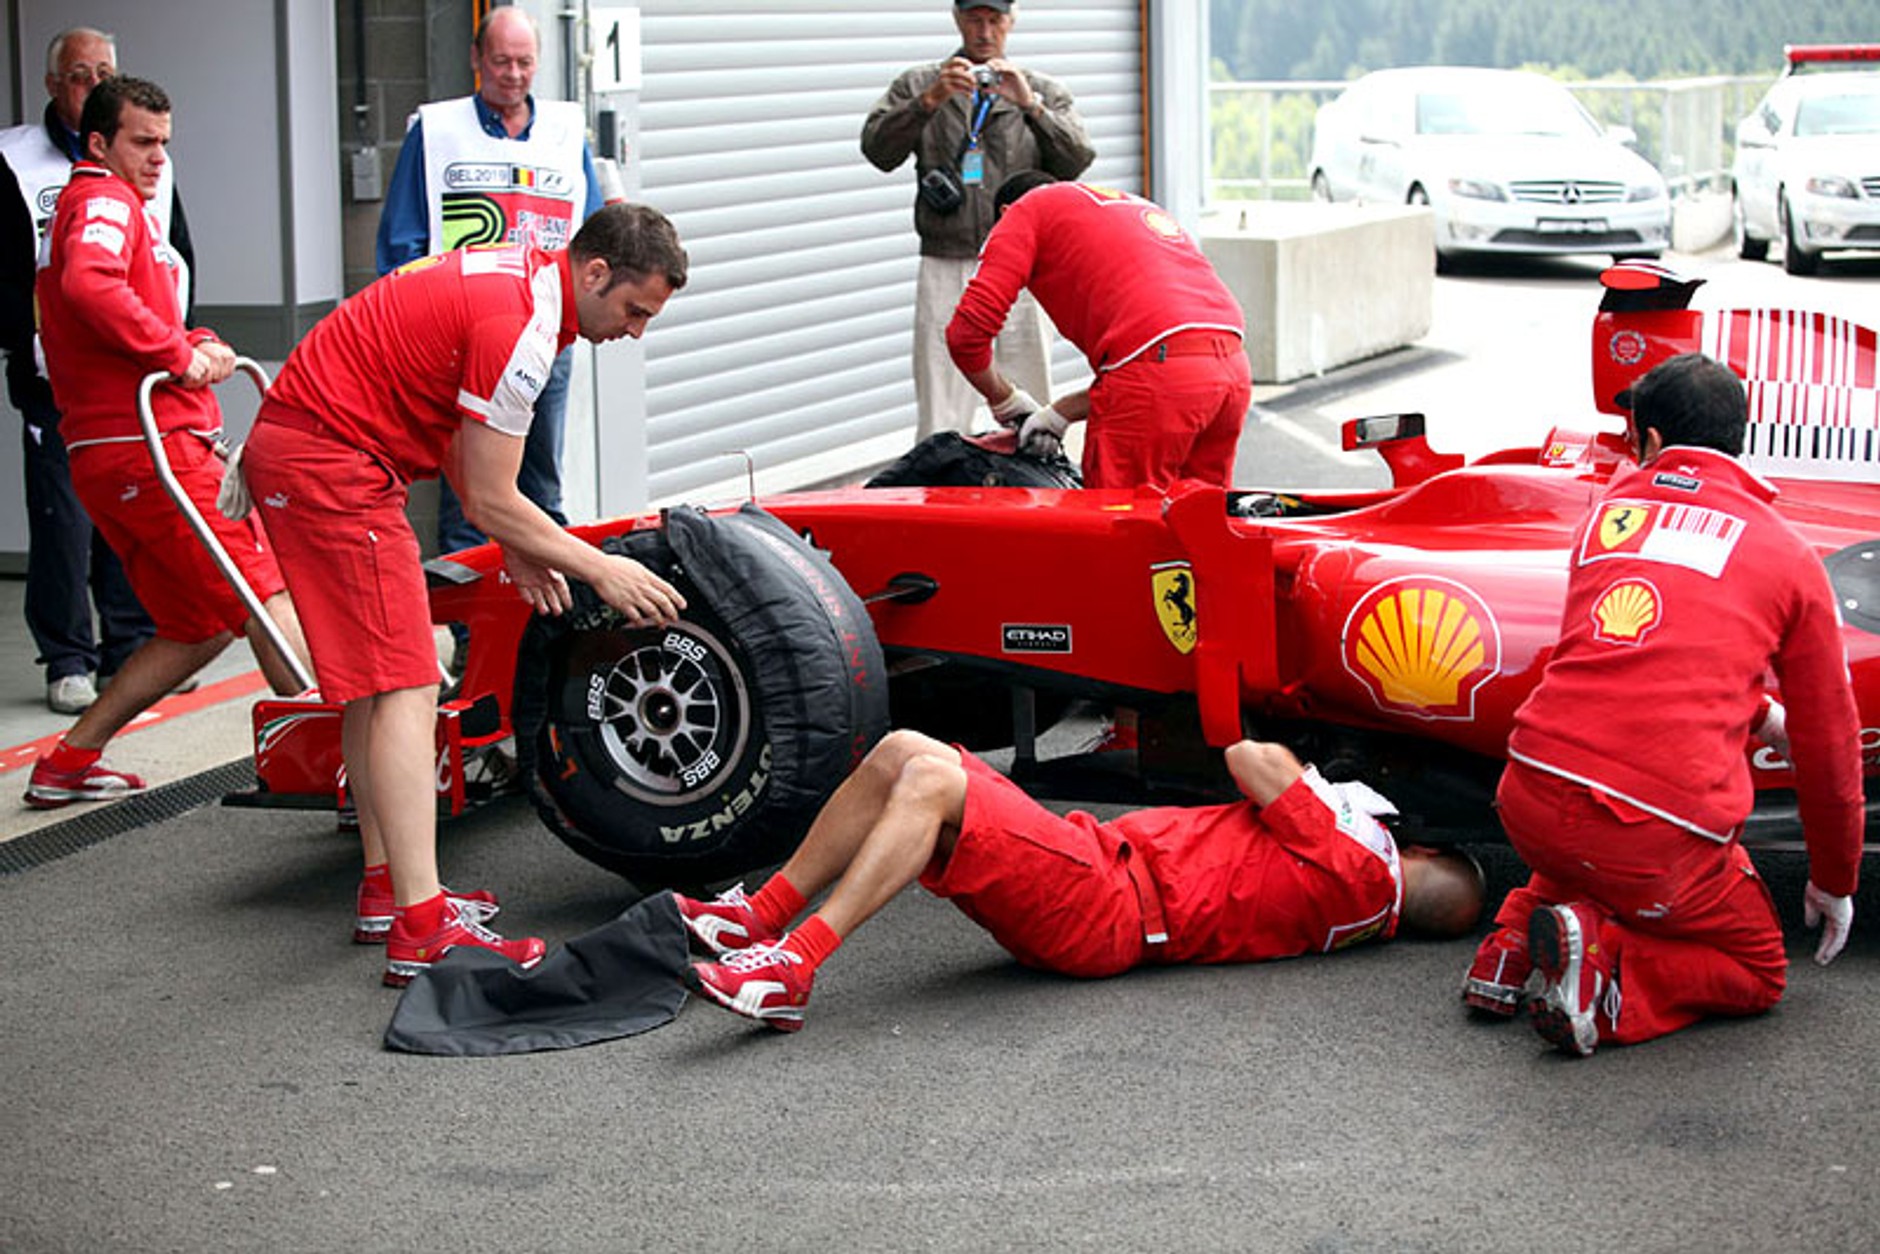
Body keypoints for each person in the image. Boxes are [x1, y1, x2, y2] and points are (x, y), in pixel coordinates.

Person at [240, 202, 691, 988]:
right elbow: (489, 494)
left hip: (307, 447)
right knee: (410, 686)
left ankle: (388, 889)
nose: (635, 332)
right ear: (593, 273)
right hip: (332, 465)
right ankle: (422, 924)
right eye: (633, 310)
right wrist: (597, 566)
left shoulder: (518, 279)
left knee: (374, 690)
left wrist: (520, 543)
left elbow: (456, 434)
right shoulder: (522, 323)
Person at [1459, 352, 1863, 1058]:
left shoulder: (1608, 515)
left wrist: (1761, 715)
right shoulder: (1787, 554)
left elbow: (1620, 664)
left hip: (1529, 792)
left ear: (1647, 441)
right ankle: (1605, 973)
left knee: (1583, 824)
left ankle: (1507, 951)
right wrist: (1834, 880)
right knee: (1757, 967)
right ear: (1743, 436)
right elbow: (1831, 750)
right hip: (1654, 834)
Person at [680, 729, 1485, 1032]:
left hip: (1105, 896)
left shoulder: (1362, 855)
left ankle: (796, 963)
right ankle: (761, 916)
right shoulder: (1359, 906)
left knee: (926, 777)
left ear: (1412, 855)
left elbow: (1252, 759)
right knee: (903, 756)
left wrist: (1328, 781)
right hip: (1100, 888)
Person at [27, 75, 307, 811]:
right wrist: (174, 354)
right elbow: (90, 287)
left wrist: (192, 340)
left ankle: (69, 760)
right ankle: (348, 771)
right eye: (142, 142)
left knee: (198, 623)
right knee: (262, 594)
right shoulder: (102, 200)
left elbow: (113, 307)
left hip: (111, 454)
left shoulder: (112, 207)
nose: (158, 158)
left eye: (164, 144)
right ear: (98, 144)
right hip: (155, 449)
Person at [375, 3, 606, 561]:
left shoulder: (565, 131)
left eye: (525, 62)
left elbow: (596, 230)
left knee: (541, 483)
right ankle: (470, 635)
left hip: (547, 336)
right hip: (465, 341)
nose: (514, 74)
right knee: (470, 494)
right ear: (477, 59)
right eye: (501, 61)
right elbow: (402, 242)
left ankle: (550, 627)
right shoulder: (436, 132)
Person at [0, 27, 178, 715]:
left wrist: (177, 340)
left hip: (139, 380)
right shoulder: (20, 162)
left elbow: (172, 255)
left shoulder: (148, 155)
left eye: (106, 70)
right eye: (81, 73)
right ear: (53, 85)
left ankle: (129, 649)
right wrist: (39, 343)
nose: (95, 83)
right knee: (63, 521)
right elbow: (70, 284)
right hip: (60, 382)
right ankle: (68, 657)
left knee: (128, 519)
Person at [862, 0, 1093, 439]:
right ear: (956, 19)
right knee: (942, 400)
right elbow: (877, 150)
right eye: (974, 19)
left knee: (1033, 399)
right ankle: (942, 485)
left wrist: (1032, 107)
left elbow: (1076, 160)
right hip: (947, 259)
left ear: (1012, 21)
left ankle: (1038, 491)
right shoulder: (921, 83)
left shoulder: (1039, 88)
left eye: (994, 20)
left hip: (1027, 270)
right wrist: (927, 102)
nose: (984, 31)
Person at [947, 174, 1251, 491]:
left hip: (1159, 376)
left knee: (1118, 525)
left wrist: (1004, 400)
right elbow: (1155, 361)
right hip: (1232, 369)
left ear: (1005, 213)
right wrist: (1057, 414)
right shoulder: (1131, 207)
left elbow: (965, 335)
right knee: (1203, 525)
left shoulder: (1025, 211)